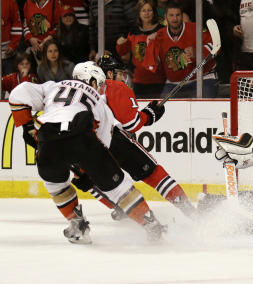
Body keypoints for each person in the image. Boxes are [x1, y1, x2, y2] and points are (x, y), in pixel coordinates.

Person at [8, 62, 166, 244]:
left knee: (56, 185)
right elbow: (103, 144)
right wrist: (90, 173)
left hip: (47, 138)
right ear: (91, 81)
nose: (99, 89)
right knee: (118, 187)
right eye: (98, 84)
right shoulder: (99, 102)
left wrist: (27, 126)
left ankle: (77, 225)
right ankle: (150, 224)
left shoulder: (54, 86)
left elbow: (18, 93)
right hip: (82, 136)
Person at [78, 55, 196, 220]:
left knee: (91, 180)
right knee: (153, 173)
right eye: (119, 73)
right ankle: (186, 208)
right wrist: (149, 115)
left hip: (88, 146)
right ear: (109, 74)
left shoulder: (73, 93)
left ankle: (122, 208)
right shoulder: (114, 86)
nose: (122, 78)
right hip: (115, 140)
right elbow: (132, 125)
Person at [146, 1, 218, 98]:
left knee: (205, 110)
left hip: (203, 78)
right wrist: (150, 48)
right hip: (174, 83)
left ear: (182, 15)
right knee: (163, 110)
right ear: (165, 17)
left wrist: (198, 52)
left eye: (178, 15)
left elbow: (216, 47)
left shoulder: (195, 28)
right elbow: (154, 65)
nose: (175, 19)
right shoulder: (159, 36)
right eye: (171, 15)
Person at [116, 0, 165, 99]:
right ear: (139, 13)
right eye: (143, 10)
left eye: (149, 10)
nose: (146, 13)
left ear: (154, 12)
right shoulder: (134, 31)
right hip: (138, 81)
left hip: (158, 80)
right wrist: (125, 35)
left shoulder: (162, 30)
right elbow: (121, 50)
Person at [1, 0, 24, 76]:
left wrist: (13, 45)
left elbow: (16, 23)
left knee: (10, 86)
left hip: (8, 55)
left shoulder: (10, 1)